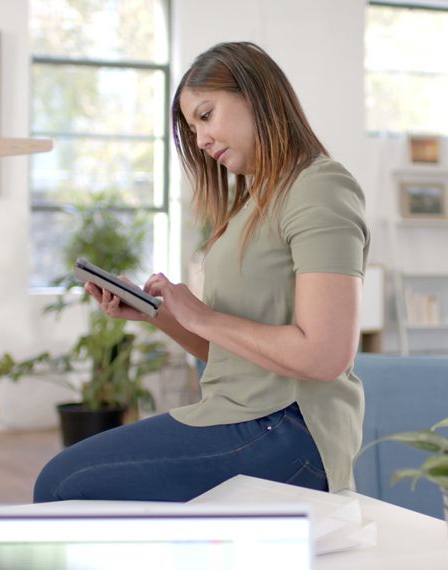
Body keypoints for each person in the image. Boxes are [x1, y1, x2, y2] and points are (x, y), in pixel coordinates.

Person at [33, 41, 369, 503]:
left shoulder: (320, 187)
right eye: (192, 129)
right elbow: (232, 355)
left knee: (63, 483)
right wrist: (159, 315)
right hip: (240, 413)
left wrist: (202, 315)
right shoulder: (253, 203)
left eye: (206, 116)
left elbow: (326, 355)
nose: (200, 139)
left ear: (256, 96)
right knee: (64, 480)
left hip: (291, 429)